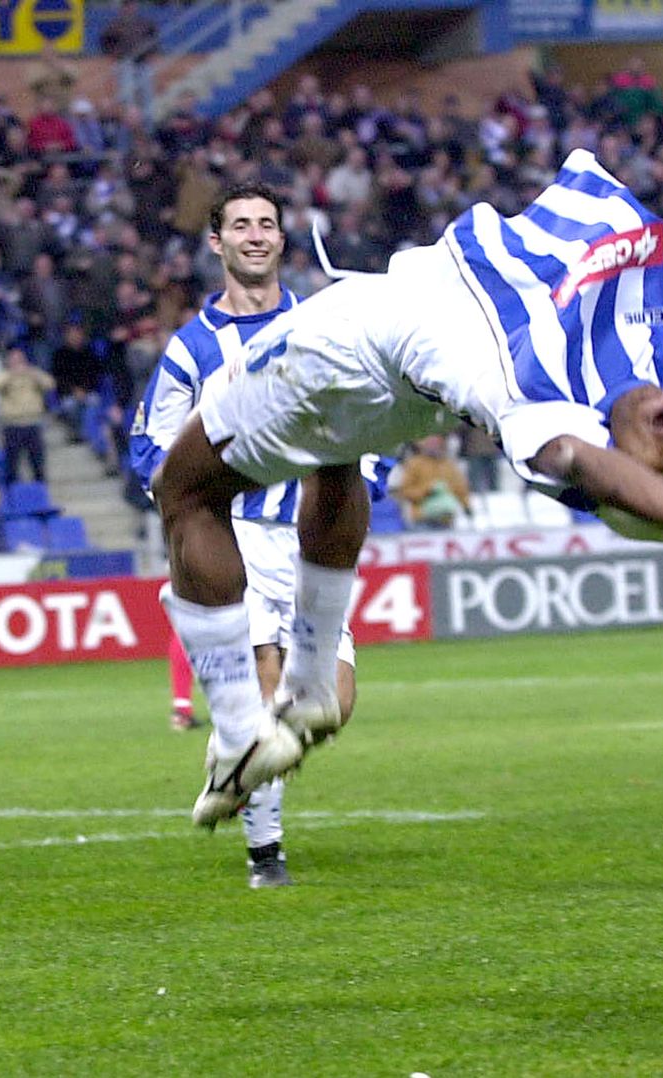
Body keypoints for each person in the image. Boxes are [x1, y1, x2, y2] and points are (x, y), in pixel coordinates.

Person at [153, 150, 663, 829]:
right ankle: (313, 683)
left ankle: (236, 729)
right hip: (413, 369)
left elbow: (580, 462)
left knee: (183, 490)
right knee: (336, 454)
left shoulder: (542, 405)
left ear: (616, 464)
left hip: (373, 333)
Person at [131, 181, 382, 887]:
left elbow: (369, 407)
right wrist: (195, 499)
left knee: (328, 708)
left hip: (306, 541)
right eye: (240, 225)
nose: (255, 235)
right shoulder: (192, 348)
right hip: (235, 536)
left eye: (266, 224)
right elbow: (149, 446)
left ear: (280, 239)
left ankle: (231, 760)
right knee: (267, 690)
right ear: (217, 243)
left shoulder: (320, 325)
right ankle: (266, 854)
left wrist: (367, 473)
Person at [0, 348, 55, 483]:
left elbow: (50, 384)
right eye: (14, 360)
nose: (17, 363)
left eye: (19, 359)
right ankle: (12, 492)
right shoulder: (4, 374)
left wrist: (32, 374)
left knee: (37, 463)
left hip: (32, 423)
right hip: (12, 425)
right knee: (12, 465)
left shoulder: (34, 372)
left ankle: (41, 491)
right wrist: (12, 375)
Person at [392, 435, 471, 529]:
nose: (434, 447)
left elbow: (461, 489)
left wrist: (466, 506)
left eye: (436, 444)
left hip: (446, 520)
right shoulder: (414, 464)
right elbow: (405, 491)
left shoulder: (449, 465)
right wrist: (427, 491)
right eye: (430, 444)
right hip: (422, 520)